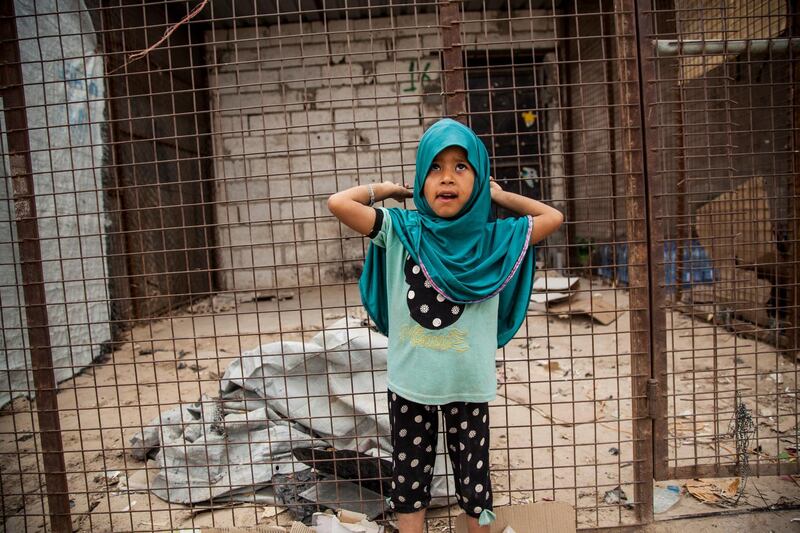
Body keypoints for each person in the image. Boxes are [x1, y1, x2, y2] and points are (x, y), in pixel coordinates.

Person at [327, 118, 563, 533]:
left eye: (461, 167)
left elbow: (553, 216)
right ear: (421, 177)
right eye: (434, 167)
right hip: (411, 384)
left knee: (474, 484)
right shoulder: (403, 230)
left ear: (479, 176)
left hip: (468, 386)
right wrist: (387, 190)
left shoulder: (496, 239)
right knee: (409, 479)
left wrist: (502, 195)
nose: (446, 178)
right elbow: (338, 204)